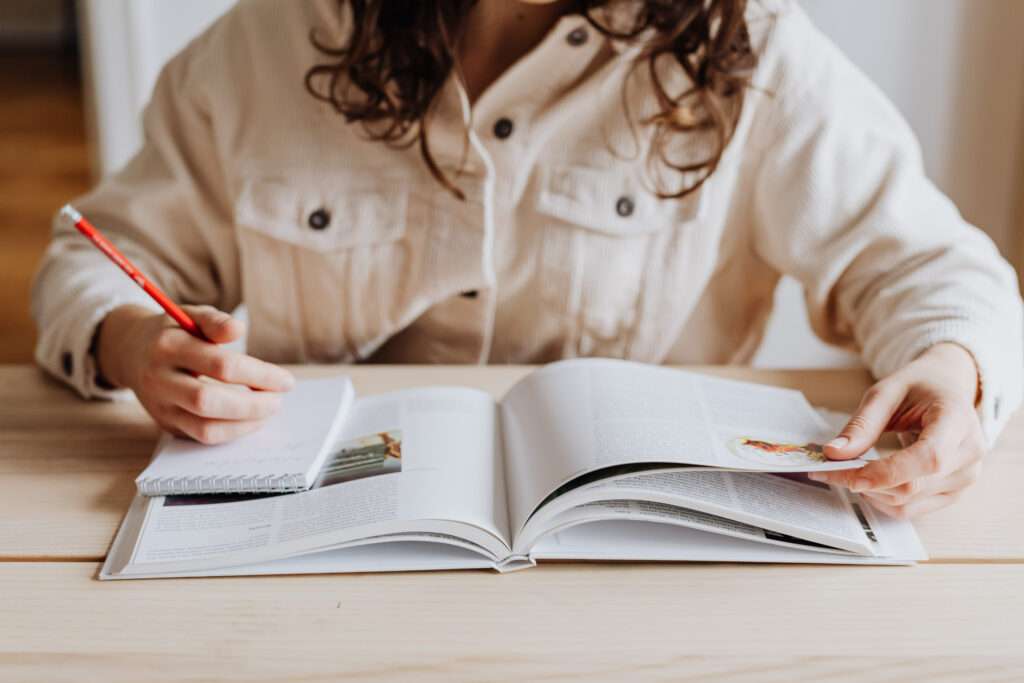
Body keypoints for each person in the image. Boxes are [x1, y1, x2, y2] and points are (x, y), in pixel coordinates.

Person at [31, 0, 1023, 519]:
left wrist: (952, 370)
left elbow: (938, 273)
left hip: (646, 551)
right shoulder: (264, 41)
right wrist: (132, 341)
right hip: (317, 550)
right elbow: (97, 259)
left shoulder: (753, 52)